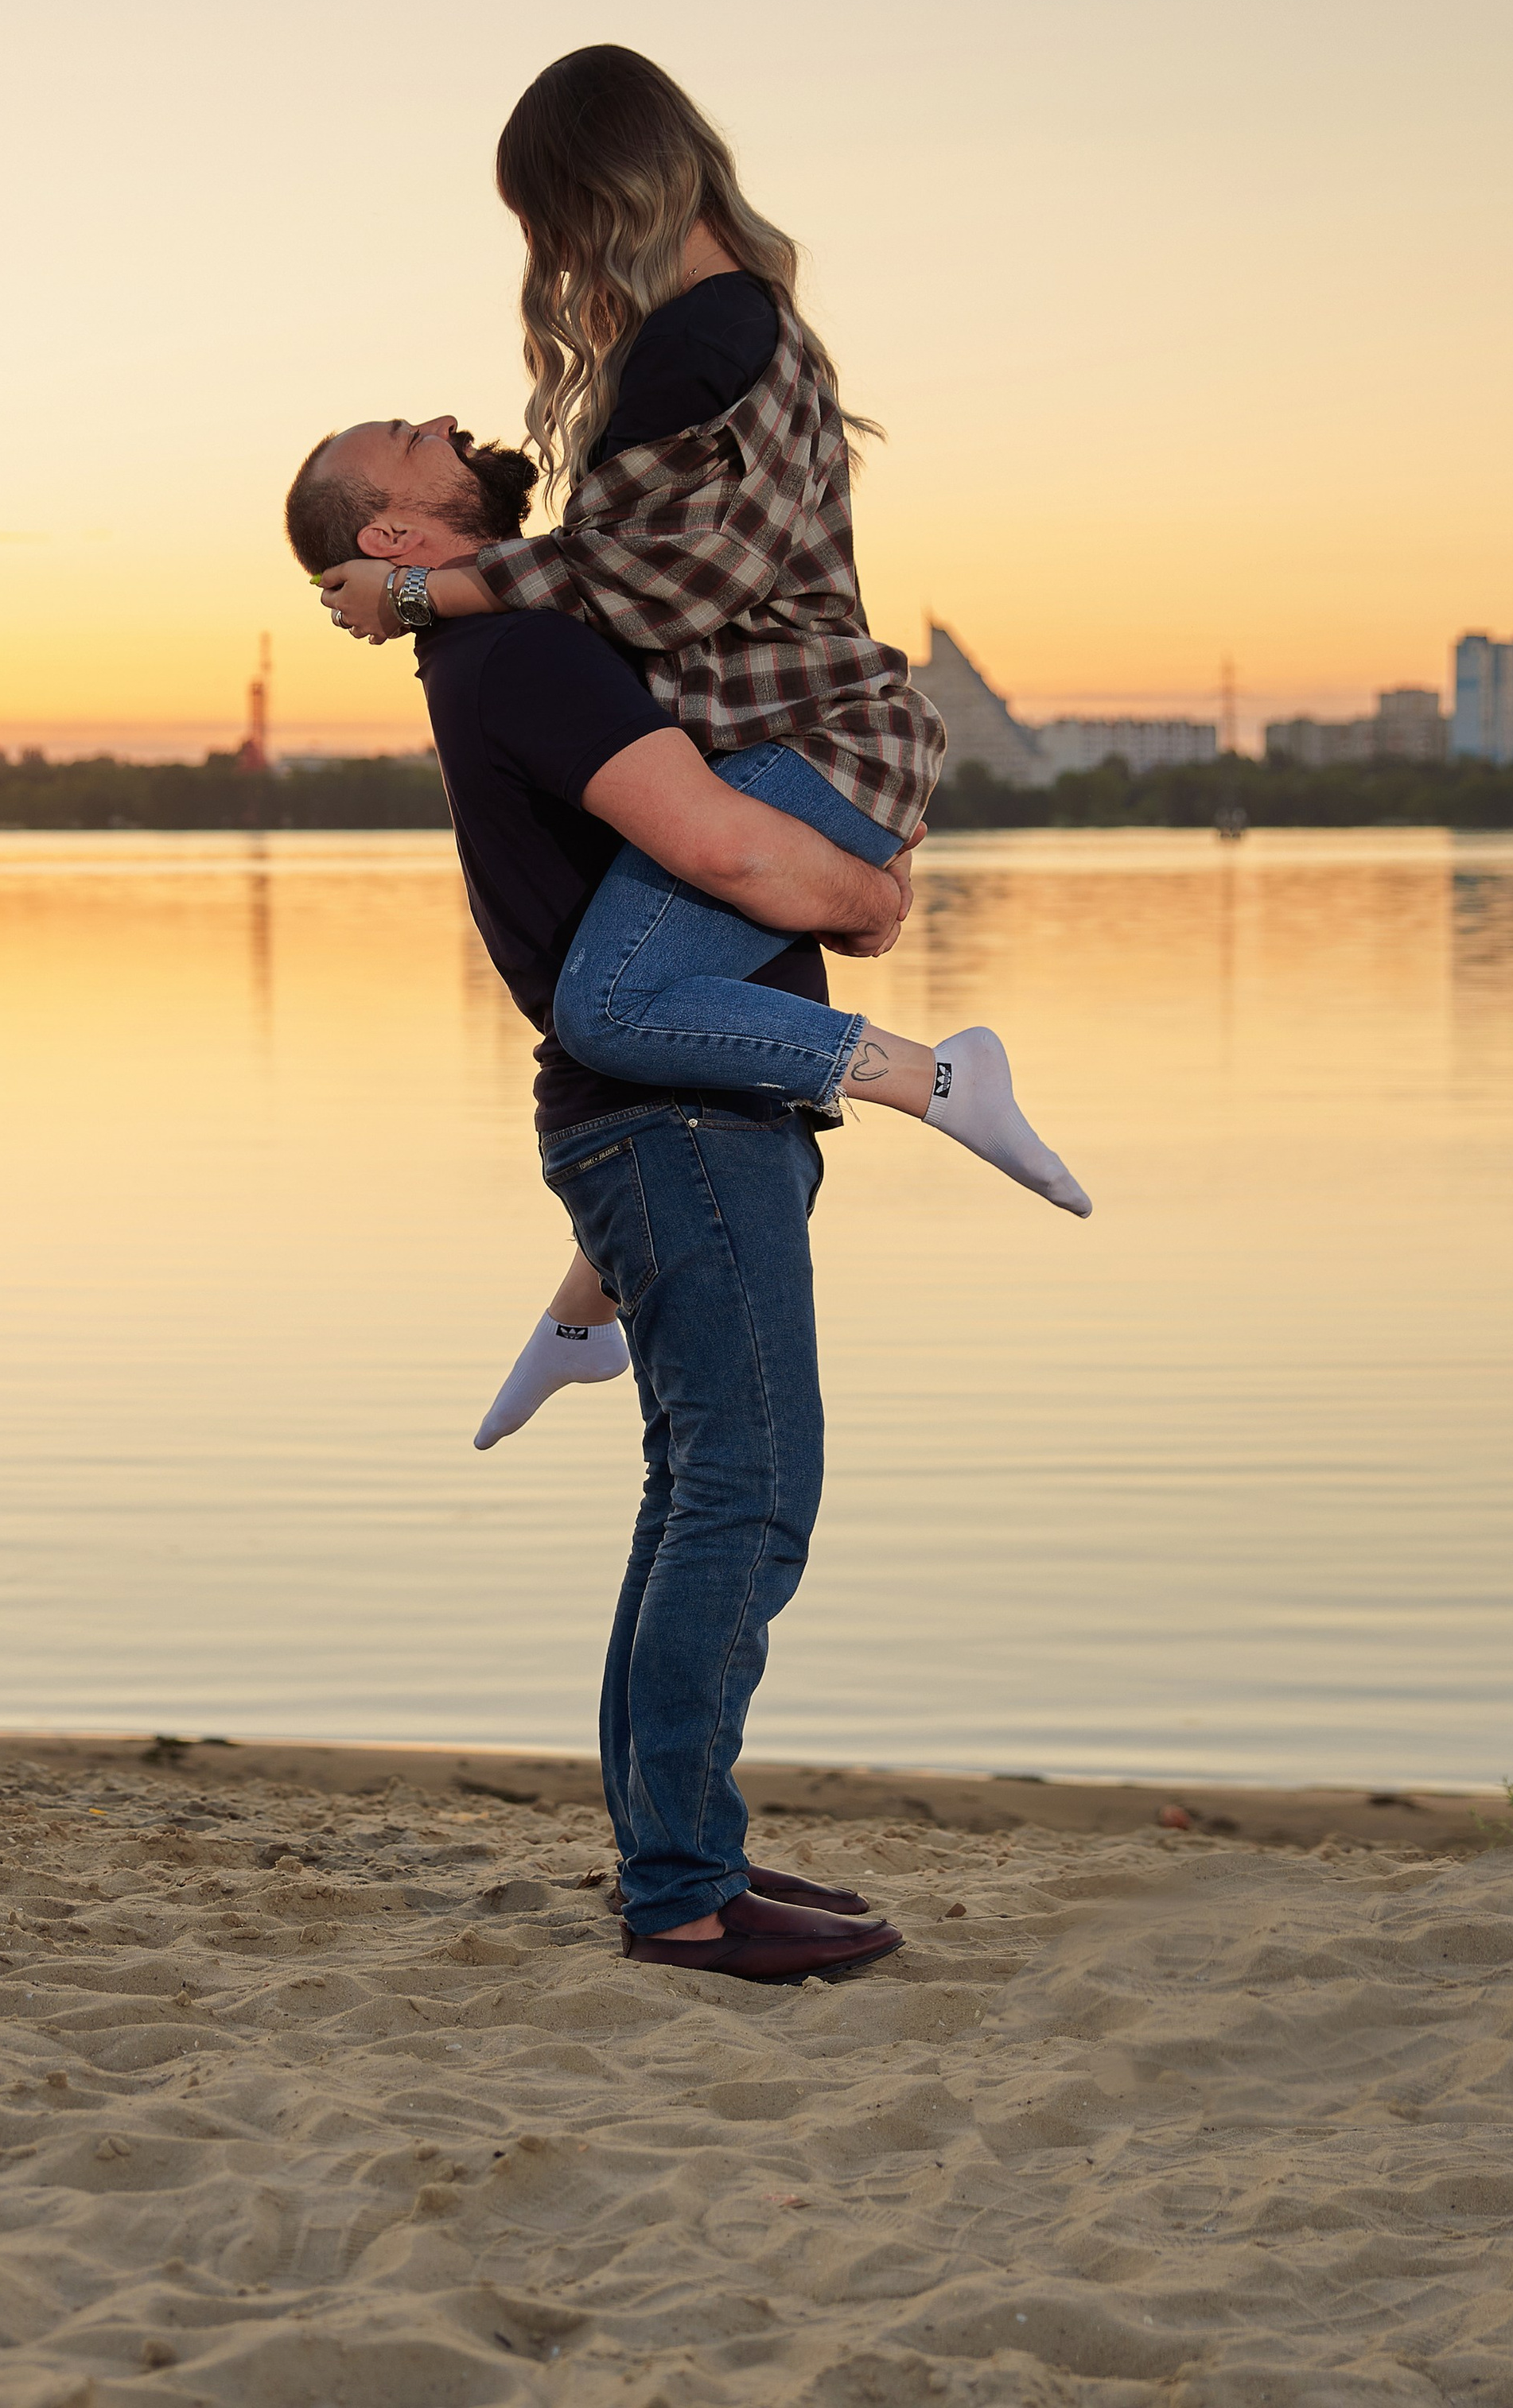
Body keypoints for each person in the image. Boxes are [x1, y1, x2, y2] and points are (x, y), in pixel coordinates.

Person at [298, 47, 1089, 1443]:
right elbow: (649, 584)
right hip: (826, 746)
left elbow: (654, 583)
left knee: (615, 1006)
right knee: (642, 997)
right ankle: (575, 1322)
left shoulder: (697, 348)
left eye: (542, 221)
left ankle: (943, 1077)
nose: (545, 263)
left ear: (591, 197)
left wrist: (427, 590)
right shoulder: (747, 331)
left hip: (809, 743)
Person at [283, 433, 912, 1980]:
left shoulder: (506, 636)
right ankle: (683, 1891)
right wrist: (871, 896)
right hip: (678, 1123)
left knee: (697, 1487)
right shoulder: (525, 651)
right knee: (744, 1493)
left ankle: (679, 1854)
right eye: (408, 441)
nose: (444, 419)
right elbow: (720, 848)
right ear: (392, 518)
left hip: (671, 1120)